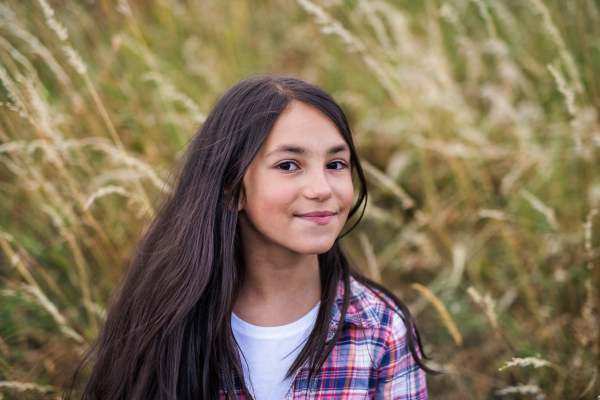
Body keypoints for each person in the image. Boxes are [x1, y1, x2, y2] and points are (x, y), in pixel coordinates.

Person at [65, 76, 436, 400]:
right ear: (231, 188)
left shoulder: (380, 330)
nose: (322, 188)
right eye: (288, 165)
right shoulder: (167, 320)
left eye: (335, 164)